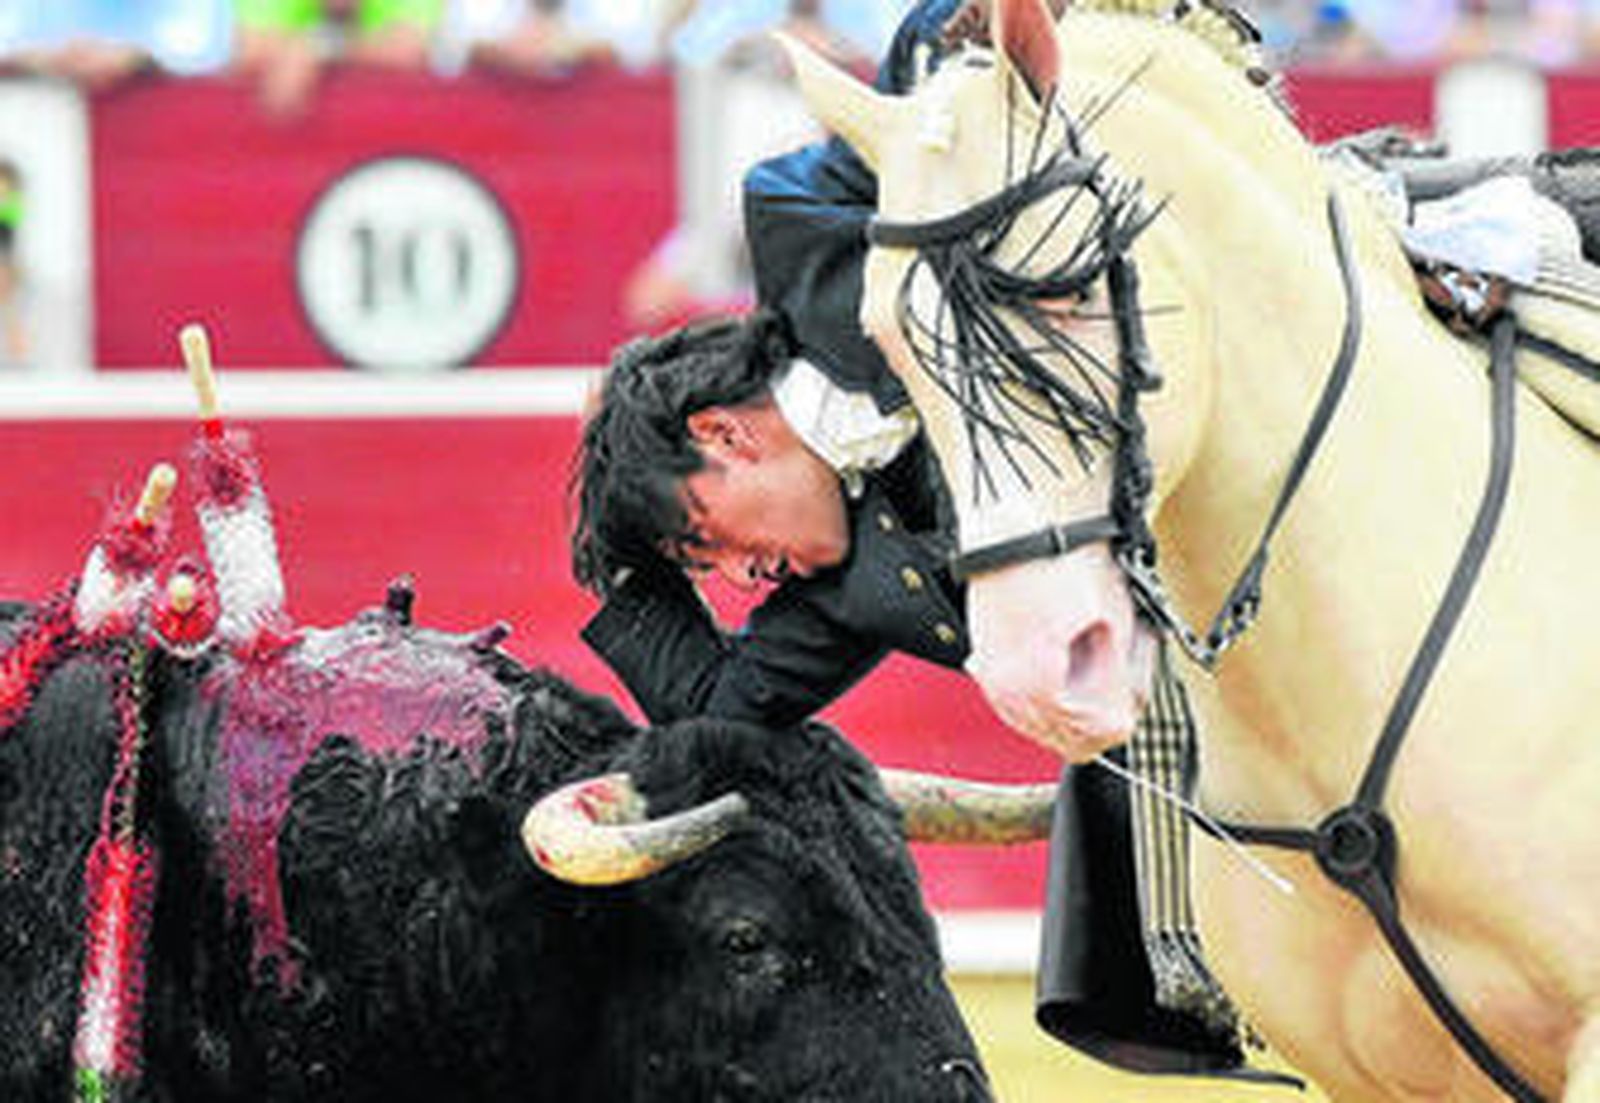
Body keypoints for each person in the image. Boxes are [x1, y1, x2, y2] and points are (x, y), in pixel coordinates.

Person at [572, 0, 1253, 1078]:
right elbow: (718, 714)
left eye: (710, 541)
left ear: (725, 433)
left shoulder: (797, 229)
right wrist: (620, 569)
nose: (756, 578)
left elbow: (917, 100)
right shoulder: (846, 592)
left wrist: (957, 26)